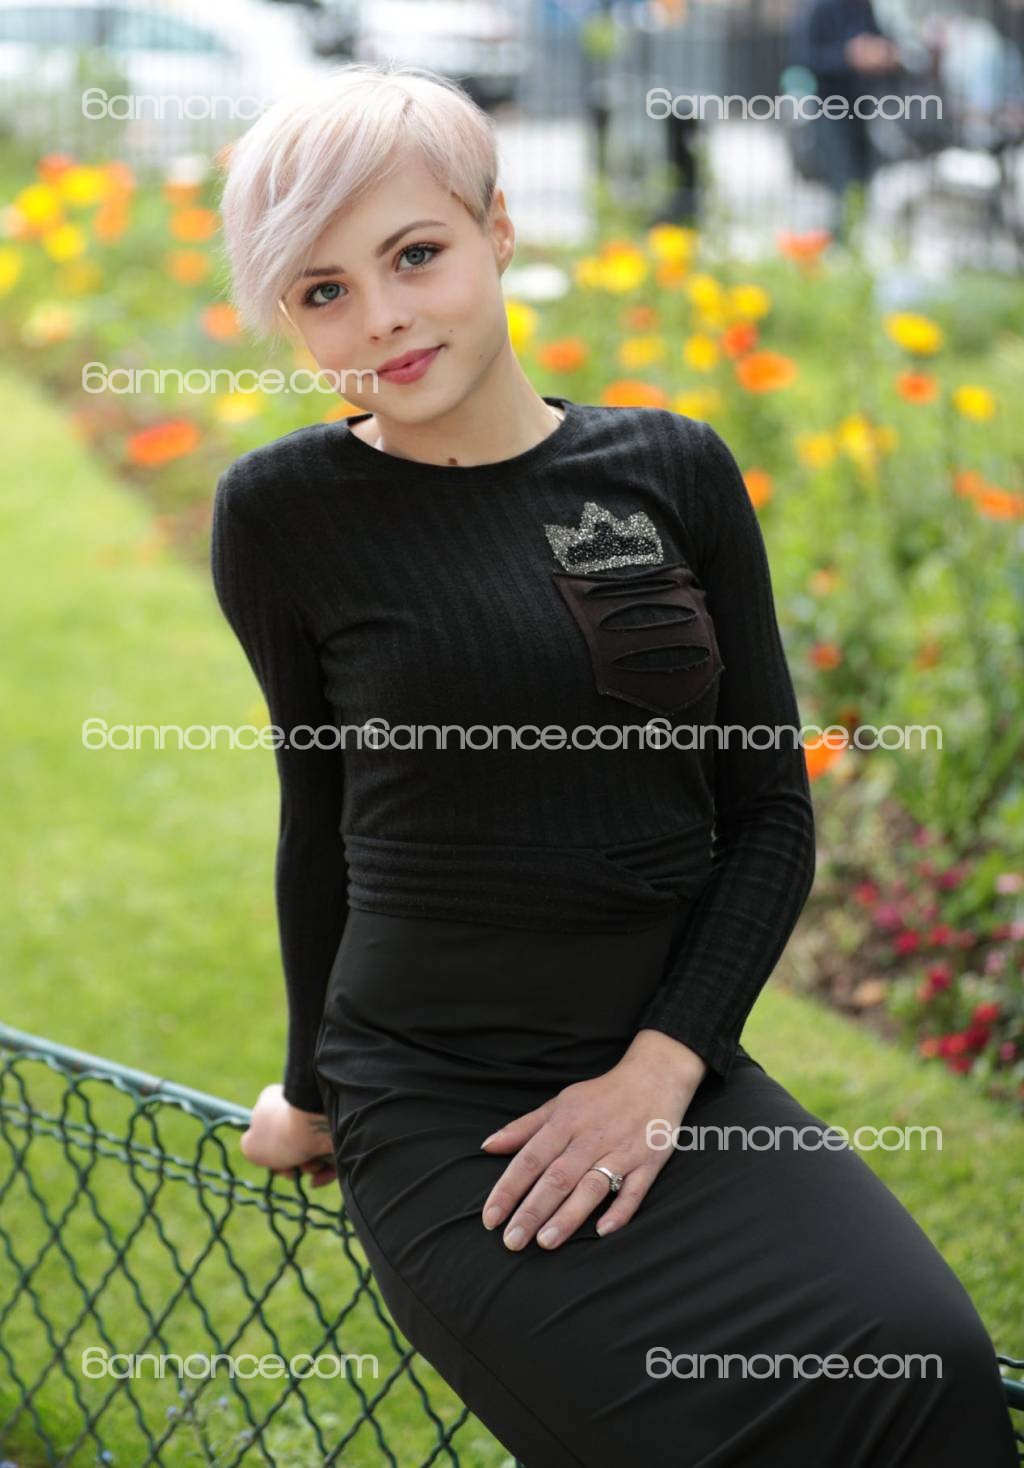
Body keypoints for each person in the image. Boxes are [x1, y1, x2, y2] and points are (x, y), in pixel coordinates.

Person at [211, 62, 1019, 1467]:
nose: (381, 315)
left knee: (926, 1367)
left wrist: (660, 1072)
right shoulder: (284, 513)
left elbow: (768, 816)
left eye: (416, 254)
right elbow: (318, 819)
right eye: (322, 289)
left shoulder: (673, 469)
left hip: (677, 1071)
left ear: (498, 228)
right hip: (445, 1115)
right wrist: (313, 1094)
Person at [790, 0, 902, 239]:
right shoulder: (821, 8)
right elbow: (805, 58)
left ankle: (851, 238)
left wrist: (884, 55)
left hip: (862, 108)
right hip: (829, 108)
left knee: (861, 181)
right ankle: (841, 241)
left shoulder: (864, 9)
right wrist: (848, 57)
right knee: (843, 180)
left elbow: (878, 46)